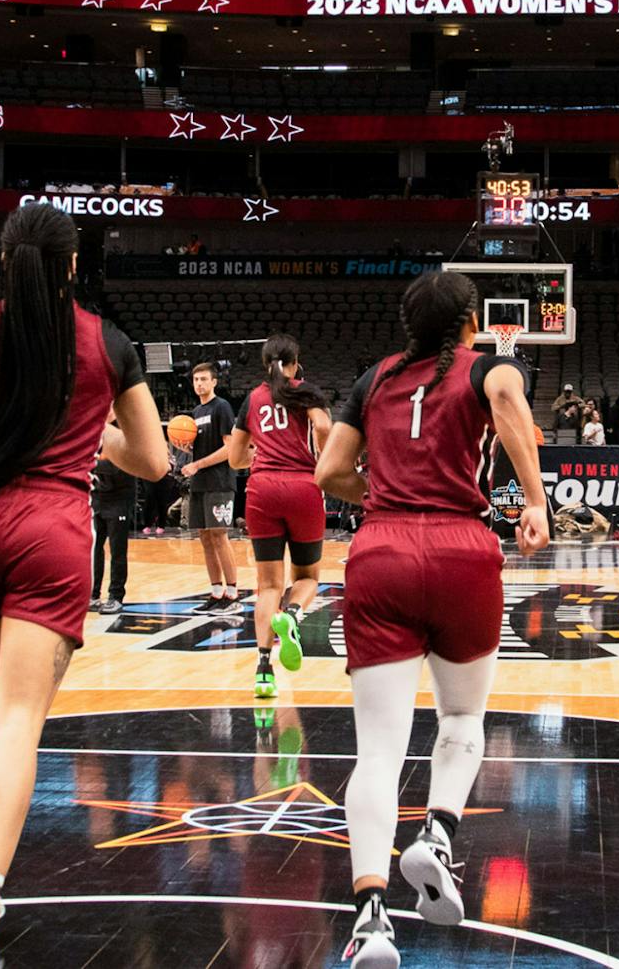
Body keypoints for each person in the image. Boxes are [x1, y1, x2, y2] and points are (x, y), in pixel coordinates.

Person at [0, 203, 168, 967]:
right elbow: (153, 461)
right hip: (52, 528)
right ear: (69, 265)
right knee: (23, 715)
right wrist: (92, 428)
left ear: (5, 261)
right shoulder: (110, 343)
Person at [312, 270, 548, 966]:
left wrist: (380, 490)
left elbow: (329, 472)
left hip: (380, 548)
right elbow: (505, 394)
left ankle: (368, 919)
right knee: (461, 721)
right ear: (472, 321)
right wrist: (533, 498)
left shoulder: (374, 376)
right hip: (460, 550)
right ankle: (438, 833)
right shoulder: (489, 367)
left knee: (378, 750)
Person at [226, 334, 332, 700]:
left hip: (261, 490)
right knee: (307, 578)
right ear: (295, 361)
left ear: (264, 363)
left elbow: (235, 459)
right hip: (302, 487)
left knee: (267, 585)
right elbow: (323, 427)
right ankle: (292, 614)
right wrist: (320, 455)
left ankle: (262, 670)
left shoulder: (252, 399)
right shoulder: (307, 391)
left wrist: (258, 456)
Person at [182, 362, 240, 615]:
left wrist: (198, 463)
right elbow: (201, 446)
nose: (199, 384)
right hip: (200, 482)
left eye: (204, 379)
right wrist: (186, 448)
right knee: (205, 538)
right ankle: (216, 592)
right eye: (196, 380)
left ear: (214, 382)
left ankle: (233, 594)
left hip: (219, 480)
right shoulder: (196, 411)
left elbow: (229, 449)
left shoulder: (222, 407)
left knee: (219, 535)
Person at [89, 408, 134, 615]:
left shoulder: (124, 430)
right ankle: (93, 594)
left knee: (117, 550)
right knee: (93, 549)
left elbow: (117, 467)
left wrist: (92, 462)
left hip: (119, 499)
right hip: (97, 497)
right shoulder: (92, 429)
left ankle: (116, 596)